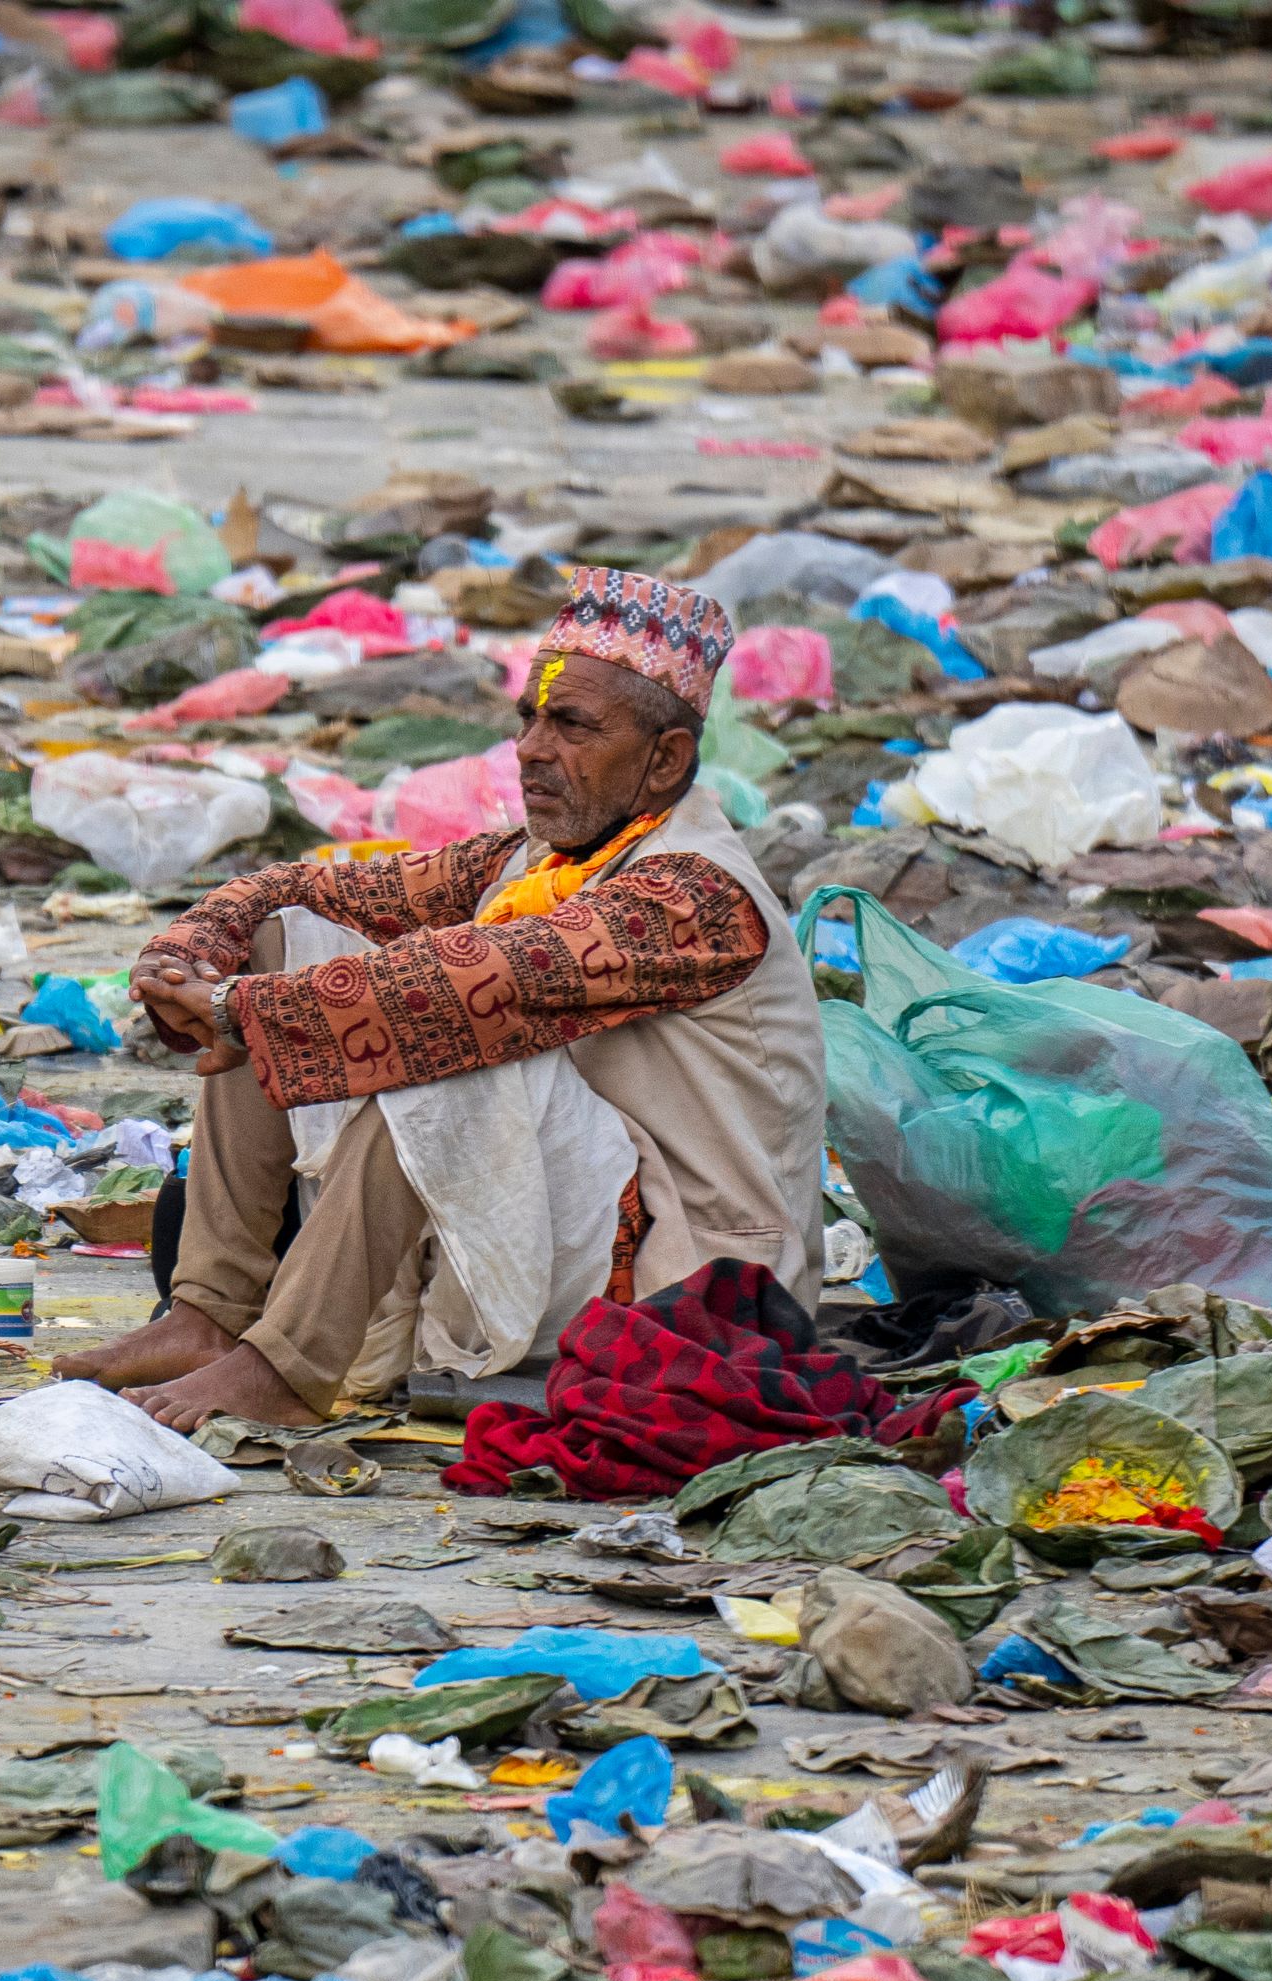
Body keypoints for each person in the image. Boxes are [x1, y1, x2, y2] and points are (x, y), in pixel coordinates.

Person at [60, 567, 825, 1428]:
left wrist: (237, 1011)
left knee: (445, 1042)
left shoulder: (694, 898)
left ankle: (287, 1366)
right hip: (568, 1225)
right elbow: (298, 889)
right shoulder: (536, 861)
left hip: (688, 1273)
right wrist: (188, 959)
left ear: (666, 762)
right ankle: (209, 1312)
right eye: (529, 720)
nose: (532, 750)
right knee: (281, 938)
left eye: (572, 726)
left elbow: (477, 982)